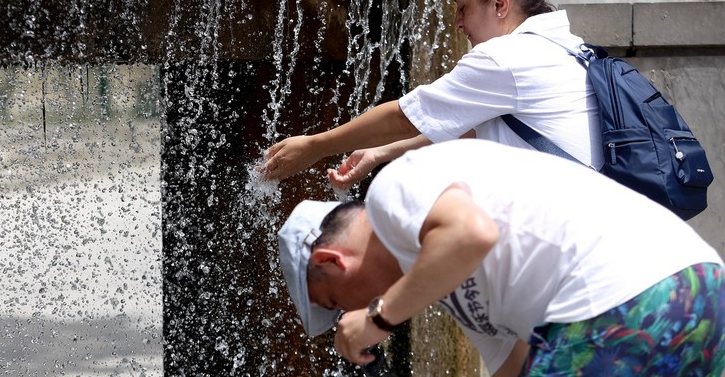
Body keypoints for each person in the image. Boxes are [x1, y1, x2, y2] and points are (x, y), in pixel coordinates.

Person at [278, 140, 725, 376]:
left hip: (616, 302)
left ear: (333, 260)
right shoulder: (444, 283)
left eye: (336, 304)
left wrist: (377, 319)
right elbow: (514, 368)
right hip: (700, 295)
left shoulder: (391, 190)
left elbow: (472, 233)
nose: (348, 316)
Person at [261, 0, 602, 189]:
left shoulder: (505, 60)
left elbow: (404, 117)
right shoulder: (566, 48)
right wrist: (380, 153)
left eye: (462, 6)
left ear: (499, 3)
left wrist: (314, 146)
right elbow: (468, 126)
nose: (457, 22)